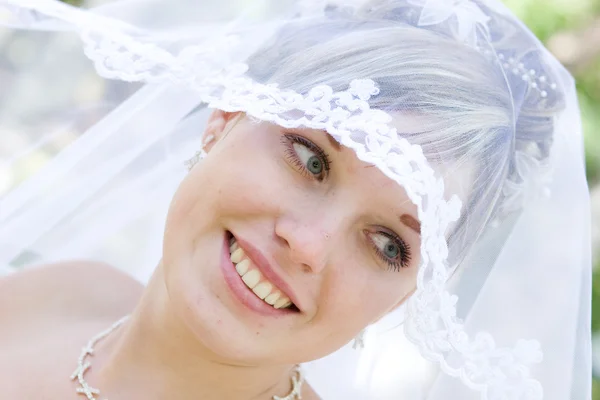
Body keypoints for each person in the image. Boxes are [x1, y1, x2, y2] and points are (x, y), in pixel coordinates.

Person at [0, 0, 591, 399]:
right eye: (311, 160)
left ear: (411, 296)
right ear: (224, 117)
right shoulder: (61, 293)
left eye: (388, 244)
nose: (307, 244)